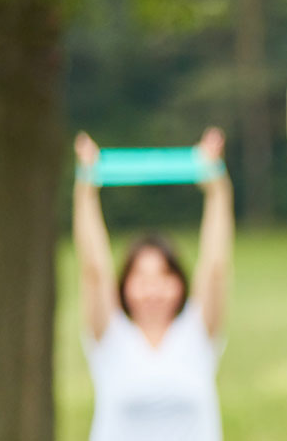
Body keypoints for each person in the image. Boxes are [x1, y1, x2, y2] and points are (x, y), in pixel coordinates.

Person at [72, 129, 234, 441]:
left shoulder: (197, 334)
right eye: (142, 279)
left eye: (163, 278)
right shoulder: (110, 337)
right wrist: (86, 189)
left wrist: (217, 189)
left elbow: (215, 267)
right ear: (124, 287)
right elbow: (94, 269)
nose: (153, 290)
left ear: (180, 284)